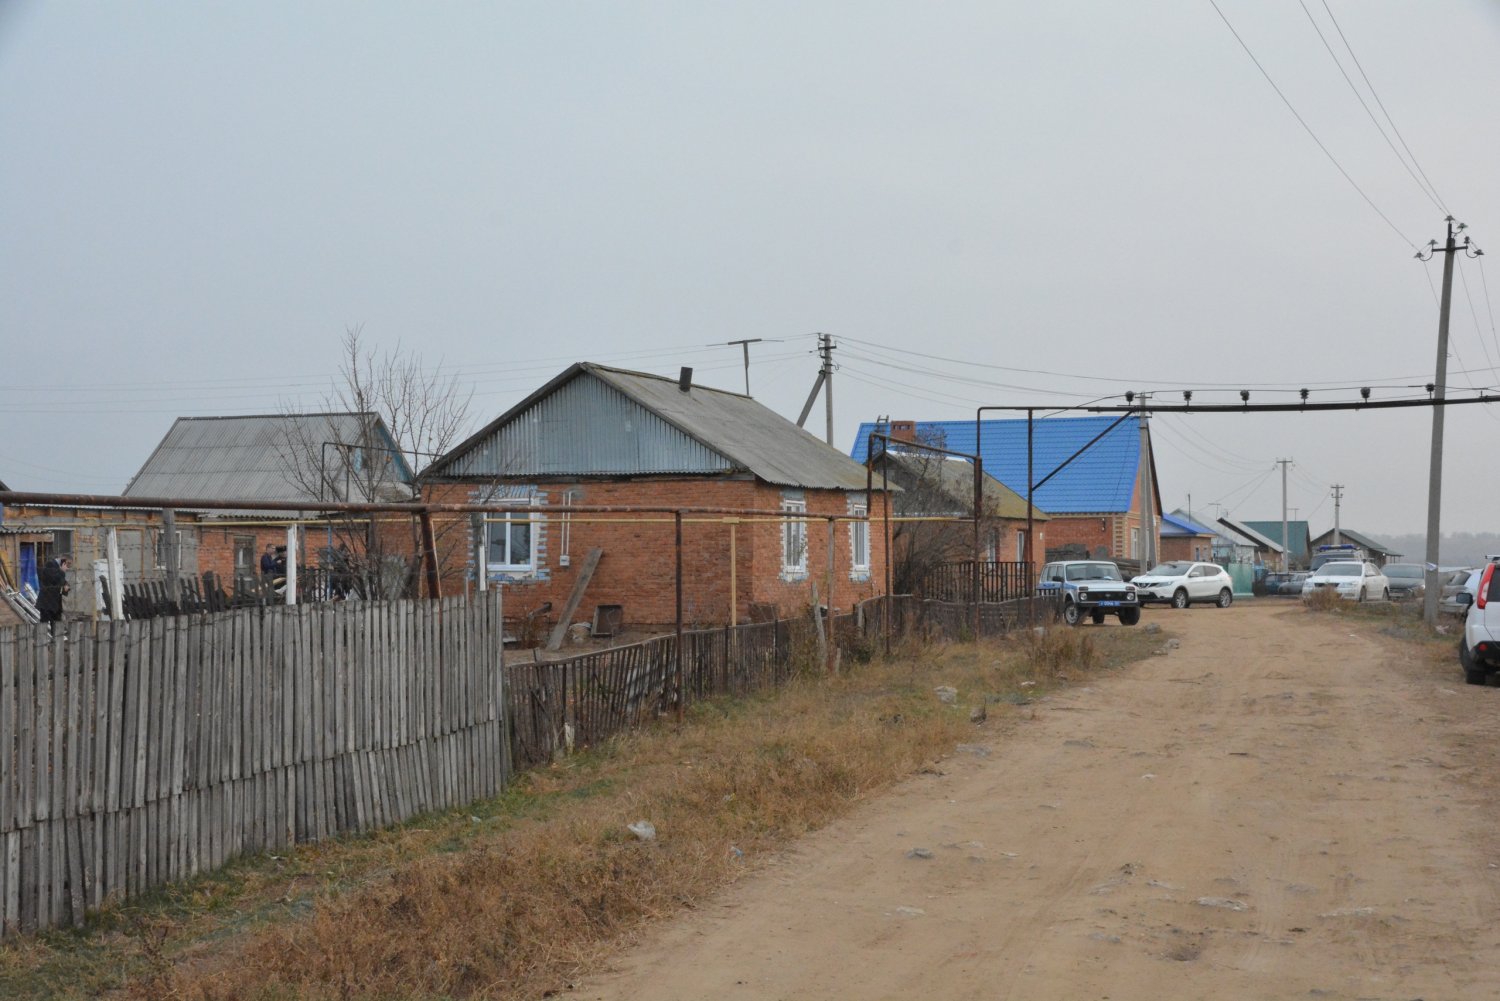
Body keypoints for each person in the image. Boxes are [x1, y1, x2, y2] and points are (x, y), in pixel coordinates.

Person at [37, 555, 71, 632]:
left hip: (56, 603)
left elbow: (62, 582)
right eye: (67, 564)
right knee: (44, 623)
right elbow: (54, 580)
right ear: (63, 561)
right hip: (47, 602)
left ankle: (55, 642)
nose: (68, 567)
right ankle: (42, 641)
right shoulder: (50, 564)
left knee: (56, 624)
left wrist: (66, 586)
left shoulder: (58, 568)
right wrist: (62, 571)